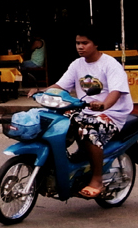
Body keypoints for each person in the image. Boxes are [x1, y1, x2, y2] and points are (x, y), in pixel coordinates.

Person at [49, 26, 133, 198]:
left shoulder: (110, 64)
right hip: (84, 110)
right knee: (52, 123)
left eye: (85, 43)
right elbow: (60, 86)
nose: (80, 46)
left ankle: (97, 179)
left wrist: (103, 105)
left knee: (87, 130)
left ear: (96, 44)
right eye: (78, 43)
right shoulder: (76, 64)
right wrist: (41, 93)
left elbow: (116, 92)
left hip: (111, 113)